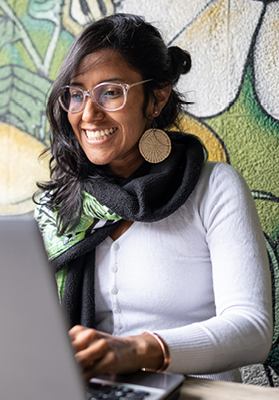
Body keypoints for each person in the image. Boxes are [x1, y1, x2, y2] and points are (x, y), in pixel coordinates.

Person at [35, 13, 272, 382]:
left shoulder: (213, 189)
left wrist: (137, 350)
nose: (88, 114)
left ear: (156, 98)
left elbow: (253, 331)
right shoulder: (62, 207)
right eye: (77, 94)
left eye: (110, 92)